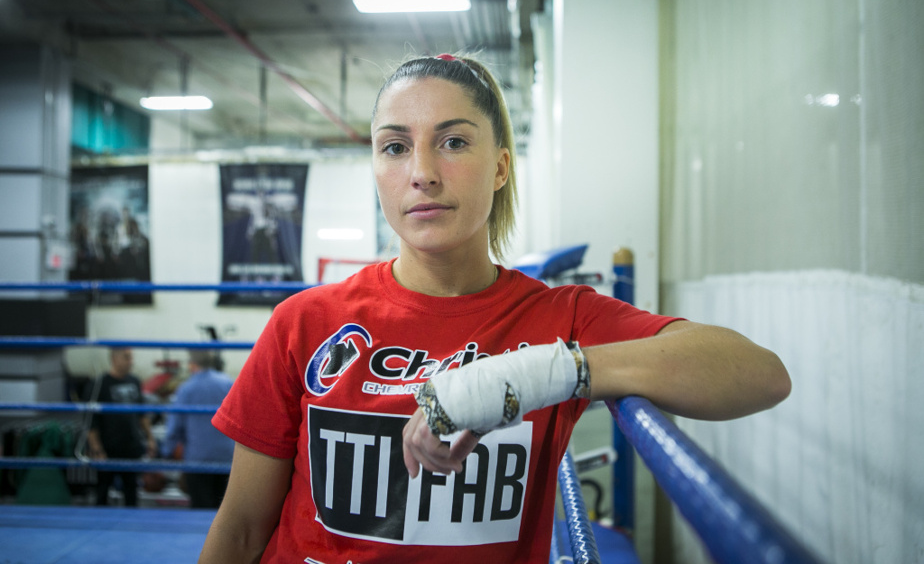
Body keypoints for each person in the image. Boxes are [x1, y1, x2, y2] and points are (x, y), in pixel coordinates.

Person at [199, 54, 792, 563]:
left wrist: (541, 373)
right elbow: (243, 528)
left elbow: (761, 375)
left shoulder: (557, 318)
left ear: (502, 167)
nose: (423, 173)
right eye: (395, 147)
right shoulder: (305, 322)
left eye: (453, 142)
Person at [160, 351, 235, 508]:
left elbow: (175, 426)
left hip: (198, 459)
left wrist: (166, 452)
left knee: (200, 510)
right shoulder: (228, 383)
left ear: (192, 365)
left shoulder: (187, 389)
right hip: (227, 458)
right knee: (223, 510)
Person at [86, 346, 155, 507]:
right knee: (102, 490)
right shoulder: (99, 384)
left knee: (131, 492)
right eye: (127, 357)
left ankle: (132, 529)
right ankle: (98, 527)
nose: (131, 361)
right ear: (114, 358)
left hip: (131, 446)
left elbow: (142, 415)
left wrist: (150, 438)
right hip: (108, 447)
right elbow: (91, 420)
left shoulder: (134, 381)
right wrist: (97, 448)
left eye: (131, 357)